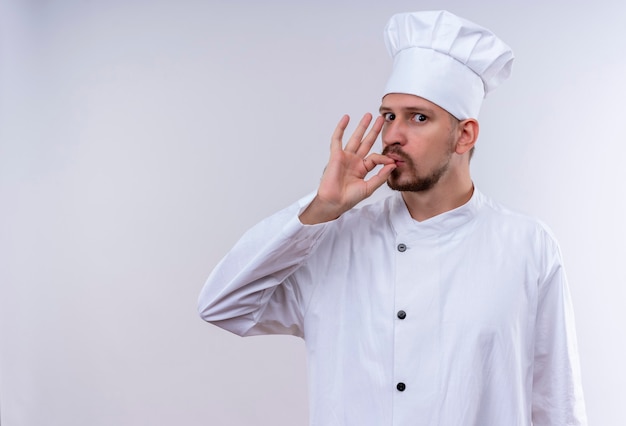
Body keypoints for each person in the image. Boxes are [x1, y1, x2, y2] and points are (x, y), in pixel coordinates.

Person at [198, 10, 587, 425]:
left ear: (465, 134)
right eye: (389, 115)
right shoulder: (333, 239)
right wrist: (319, 209)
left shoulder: (528, 245)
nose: (393, 135)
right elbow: (223, 306)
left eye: (418, 117)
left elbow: (554, 400)